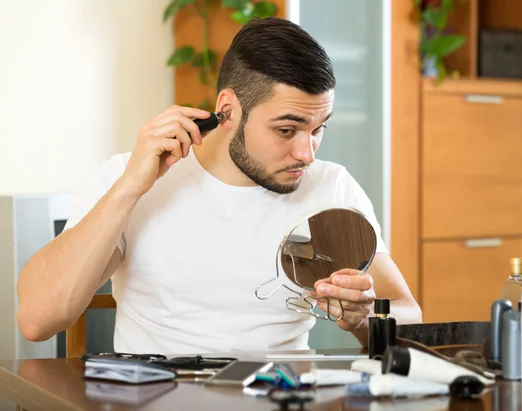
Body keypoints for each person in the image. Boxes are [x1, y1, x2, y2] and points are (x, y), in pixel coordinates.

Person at [17, 17, 421, 354]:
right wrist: (129, 189)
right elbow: (37, 319)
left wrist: (364, 318)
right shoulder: (130, 179)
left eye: (318, 129)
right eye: (287, 129)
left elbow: (407, 313)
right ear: (228, 109)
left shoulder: (331, 186)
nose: (307, 153)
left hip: (285, 395)